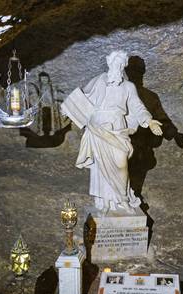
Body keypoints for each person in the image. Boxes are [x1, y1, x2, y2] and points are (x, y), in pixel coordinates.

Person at [61, 50, 163, 214]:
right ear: (109, 65)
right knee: (101, 167)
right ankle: (106, 202)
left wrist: (149, 121)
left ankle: (122, 199)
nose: (117, 67)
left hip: (118, 129)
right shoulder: (99, 81)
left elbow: (137, 107)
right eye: (114, 64)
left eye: (120, 64)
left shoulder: (128, 87)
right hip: (98, 126)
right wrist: (68, 108)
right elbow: (83, 97)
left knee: (121, 163)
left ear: (123, 67)